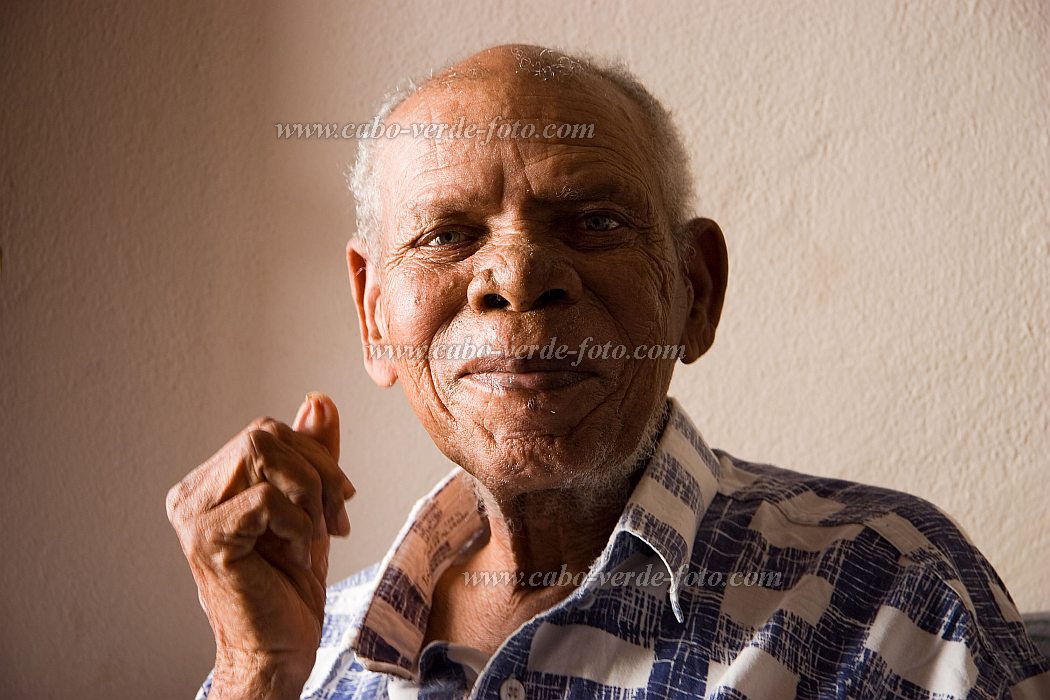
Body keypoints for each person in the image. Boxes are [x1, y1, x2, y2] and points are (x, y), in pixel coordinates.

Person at [166, 44, 1050, 699]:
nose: (515, 277)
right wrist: (254, 672)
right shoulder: (298, 647)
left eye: (593, 222)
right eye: (447, 235)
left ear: (695, 293)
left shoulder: (887, 592)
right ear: (373, 313)